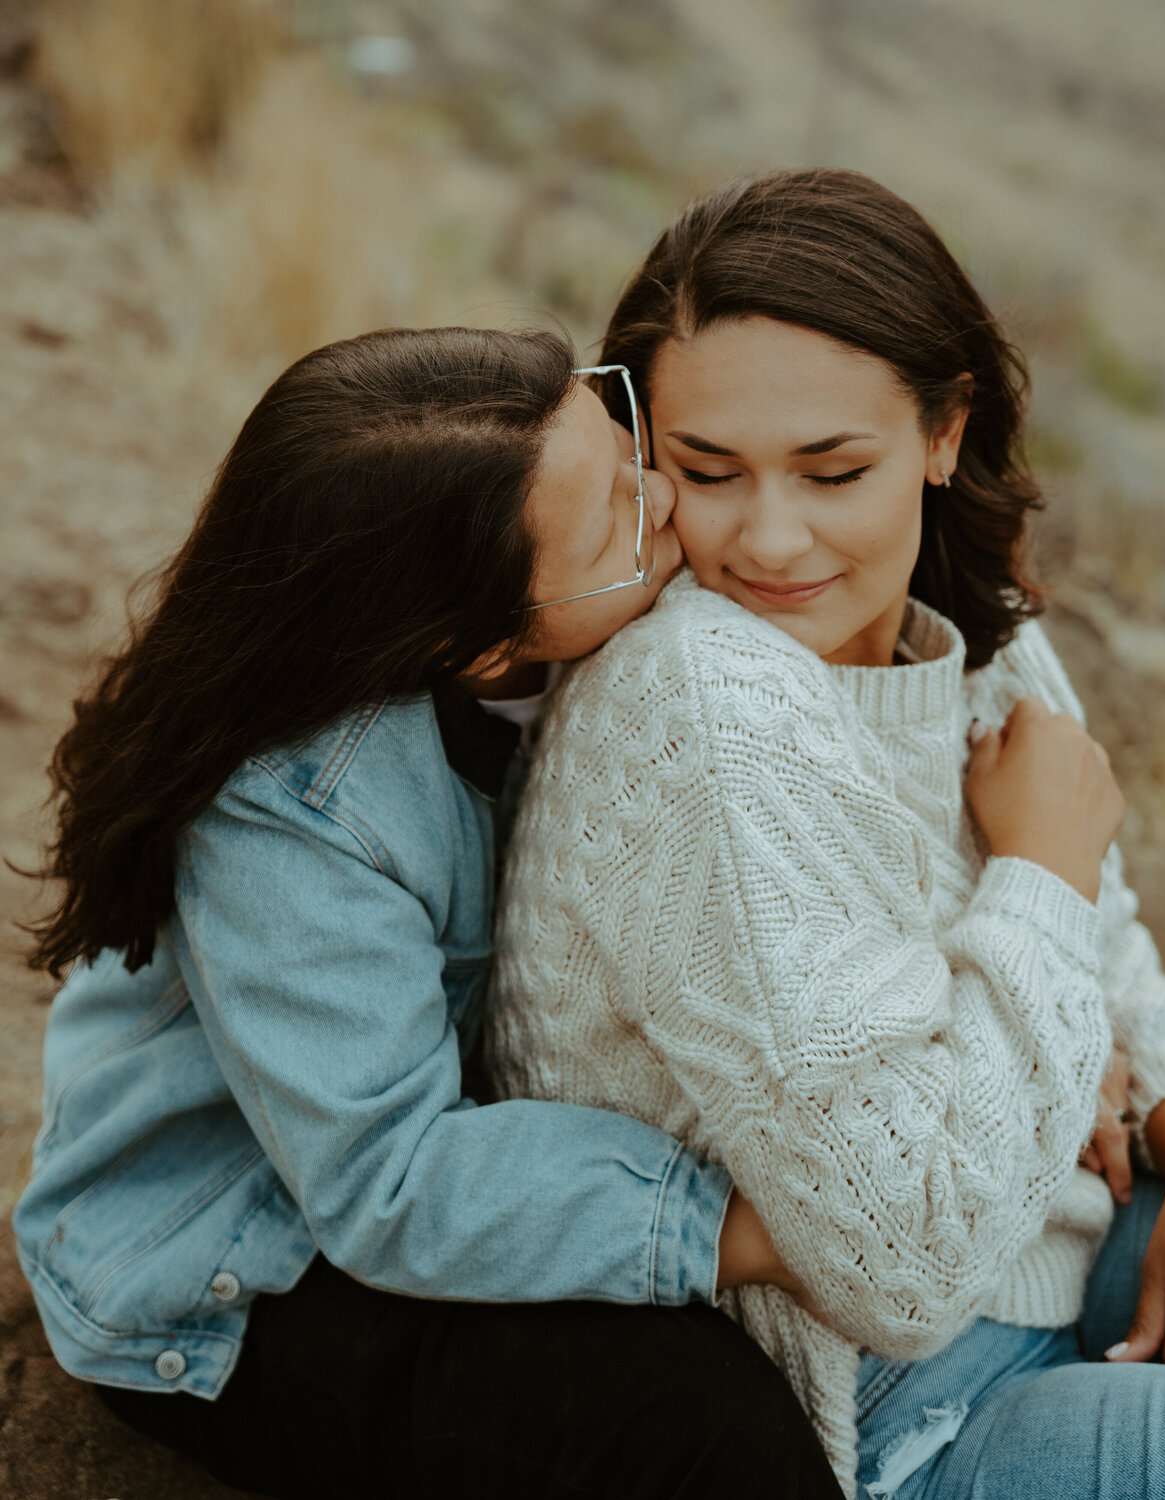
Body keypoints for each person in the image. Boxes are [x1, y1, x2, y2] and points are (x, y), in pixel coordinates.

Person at [12, 327, 842, 1499]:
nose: (667, 498)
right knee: (696, 1425)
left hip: (378, 1160)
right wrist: (731, 1230)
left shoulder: (530, 521)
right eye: (616, 521)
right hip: (230, 1259)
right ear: (480, 641)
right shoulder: (295, 813)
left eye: (623, 447)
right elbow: (387, 1181)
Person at [489, 171, 1165, 1500]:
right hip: (909, 1412)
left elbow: (1121, 966)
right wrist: (1038, 874)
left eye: (836, 470)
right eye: (707, 472)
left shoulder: (974, 637)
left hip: (1072, 1257)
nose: (769, 538)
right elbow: (905, 1261)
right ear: (647, 454)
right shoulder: (697, 708)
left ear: (944, 431)